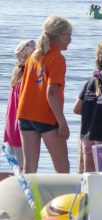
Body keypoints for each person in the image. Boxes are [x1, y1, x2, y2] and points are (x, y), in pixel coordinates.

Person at [17, 17, 72, 174]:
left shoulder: (34, 56)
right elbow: (52, 92)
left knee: (29, 168)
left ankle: (29, 198)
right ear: (60, 36)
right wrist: (62, 122)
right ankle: (62, 197)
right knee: (63, 168)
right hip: (46, 116)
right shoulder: (57, 58)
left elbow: (24, 88)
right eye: (68, 35)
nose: (70, 39)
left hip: (25, 115)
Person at [72, 40, 102, 173]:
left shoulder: (91, 81)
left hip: (87, 136)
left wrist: (93, 112)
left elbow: (77, 109)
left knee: (88, 176)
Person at [2, 39, 35, 174]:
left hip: (10, 130)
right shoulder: (26, 77)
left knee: (18, 169)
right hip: (20, 131)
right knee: (24, 170)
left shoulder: (17, 74)